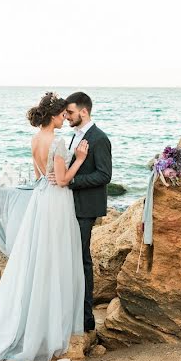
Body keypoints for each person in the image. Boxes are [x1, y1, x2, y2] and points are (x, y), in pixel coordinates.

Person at [0, 92, 88, 361]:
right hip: (56, 203)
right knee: (55, 259)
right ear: (53, 115)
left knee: (38, 258)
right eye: (62, 114)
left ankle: (35, 319)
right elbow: (61, 180)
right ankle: (47, 329)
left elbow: (42, 176)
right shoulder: (58, 141)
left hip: (40, 199)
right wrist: (80, 159)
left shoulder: (36, 139)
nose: (65, 118)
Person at [60, 91, 112, 333]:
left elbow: (104, 175)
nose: (67, 116)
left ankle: (86, 318)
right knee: (74, 259)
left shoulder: (99, 138)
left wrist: (71, 182)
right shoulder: (74, 137)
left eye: (70, 112)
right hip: (71, 205)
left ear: (84, 111)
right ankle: (74, 313)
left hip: (86, 208)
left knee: (82, 261)